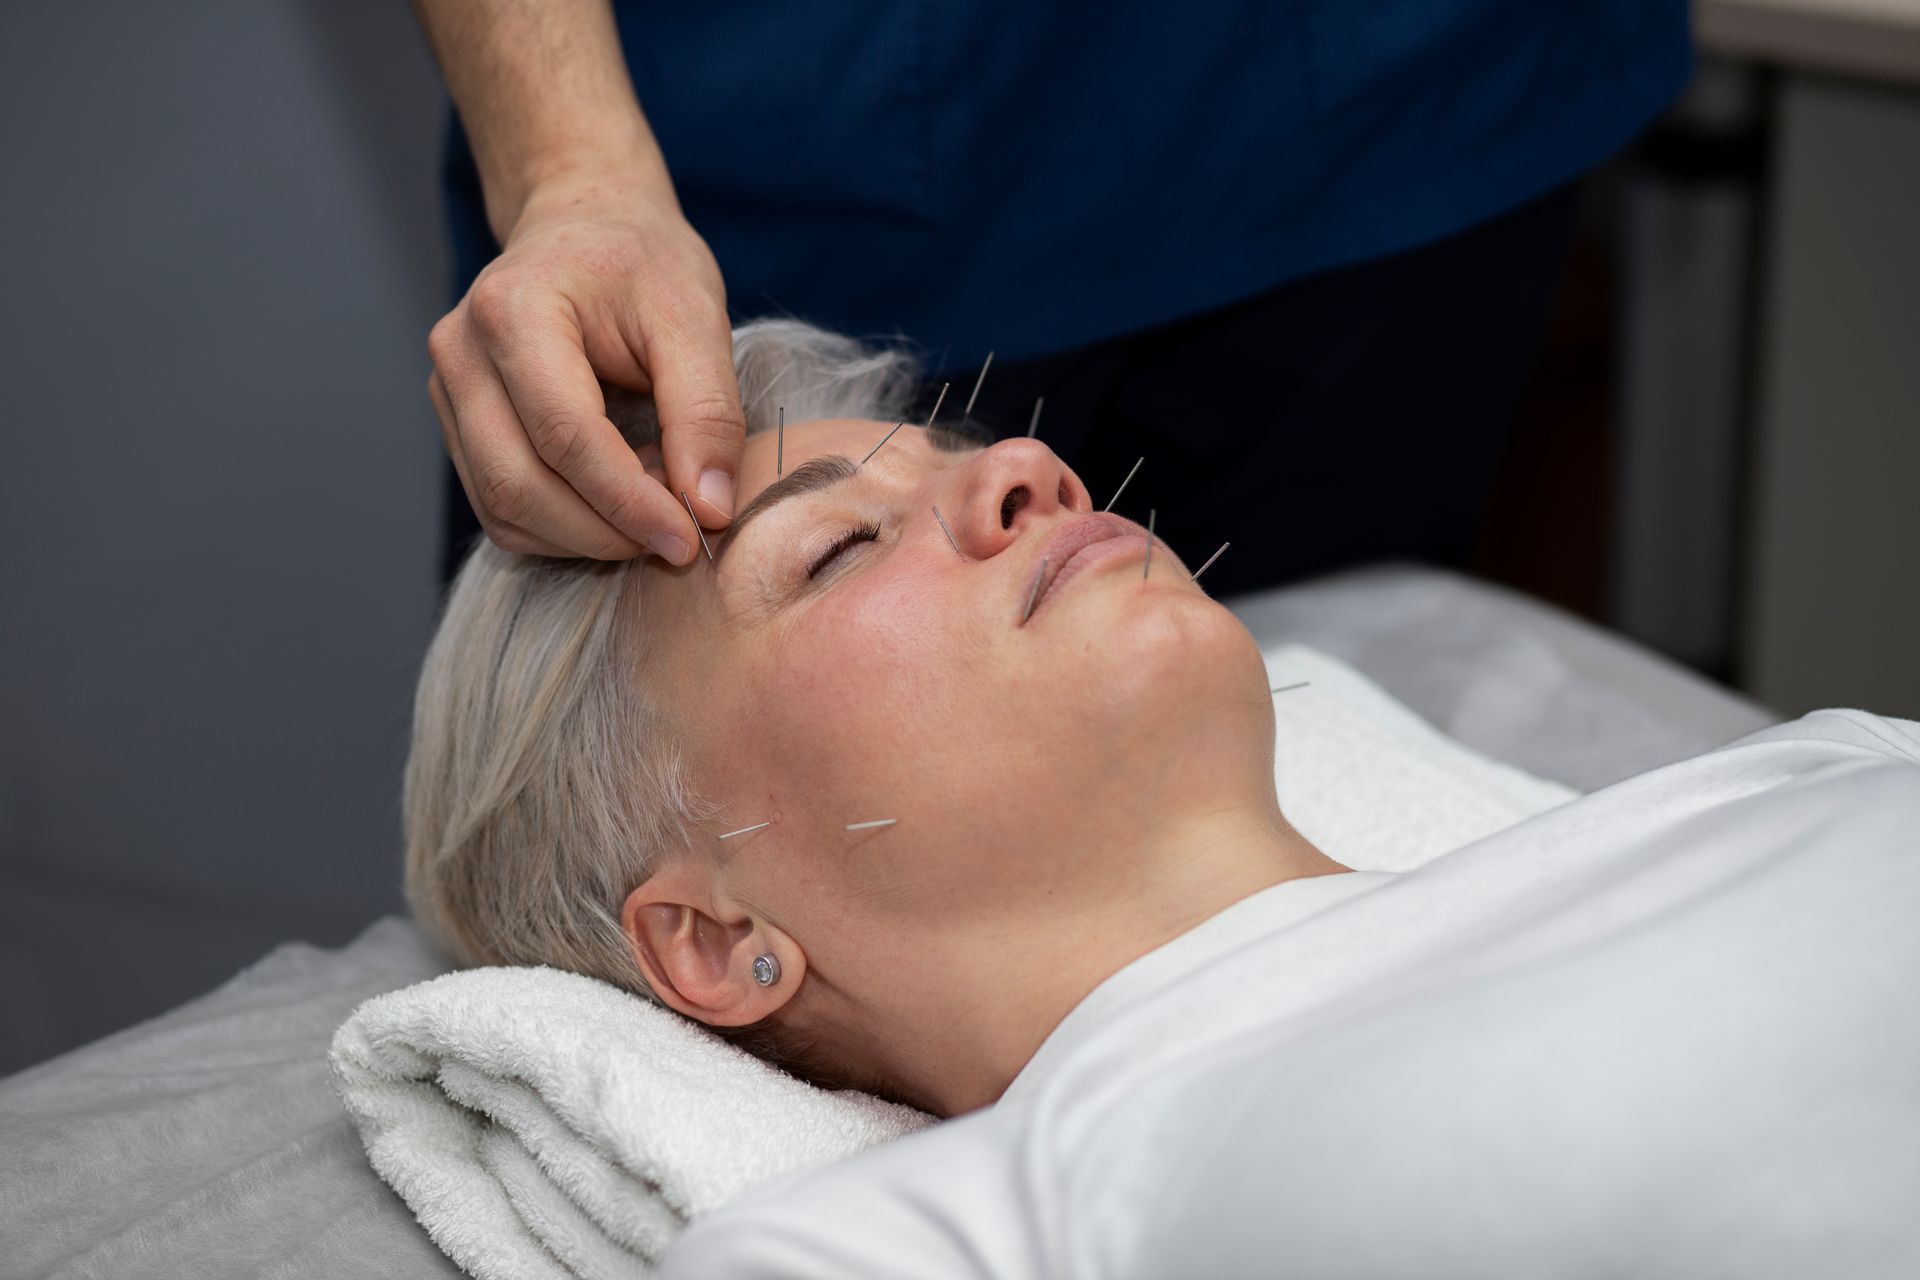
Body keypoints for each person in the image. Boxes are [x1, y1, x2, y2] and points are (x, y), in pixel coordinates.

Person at [405, 322, 1920, 1276]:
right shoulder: (962, 1231)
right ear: (718, 937)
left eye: (968, 453)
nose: (1024, 468)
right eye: (841, 552)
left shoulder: (1801, 771)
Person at [411, 0, 1693, 597]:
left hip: (1386, 104)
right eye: (839, 551)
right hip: (768, 145)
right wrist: (571, 165)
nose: (1029, 473)